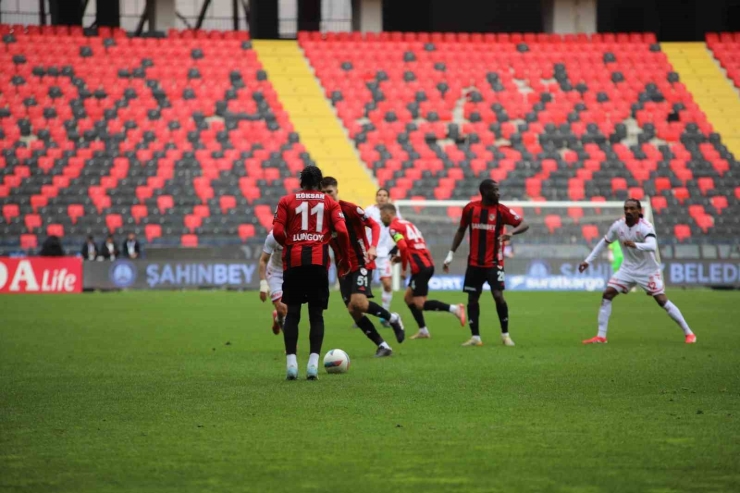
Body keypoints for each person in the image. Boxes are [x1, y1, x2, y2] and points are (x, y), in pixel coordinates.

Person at [578, 198, 696, 344]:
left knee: (661, 300)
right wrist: (588, 261)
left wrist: (636, 245)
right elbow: (605, 242)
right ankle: (601, 336)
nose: (628, 211)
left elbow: (652, 246)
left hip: (648, 270)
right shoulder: (618, 226)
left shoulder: (645, 227)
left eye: (632, 208)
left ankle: (689, 333)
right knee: (607, 294)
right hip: (627, 269)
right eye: (626, 208)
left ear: (639, 211)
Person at [273, 166, 351, 380]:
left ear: (301, 182)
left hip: (294, 263)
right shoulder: (329, 202)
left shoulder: (286, 201)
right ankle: (313, 366)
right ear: (319, 184)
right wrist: (344, 255)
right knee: (316, 316)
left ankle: (291, 365)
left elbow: (278, 231)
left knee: (293, 314)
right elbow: (342, 231)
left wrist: (289, 244)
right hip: (318, 263)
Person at [320, 177, 405, 357]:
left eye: (330, 192)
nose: (327, 195)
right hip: (343, 268)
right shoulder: (320, 215)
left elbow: (373, 224)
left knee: (359, 302)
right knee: (353, 310)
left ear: (336, 191)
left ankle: (393, 318)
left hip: (361, 261)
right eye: (323, 192)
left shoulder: (350, 209)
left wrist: (373, 246)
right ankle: (383, 345)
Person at [443, 179, 529, 347]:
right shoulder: (470, 208)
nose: (499, 193)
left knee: (498, 296)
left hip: (494, 262)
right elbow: (461, 230)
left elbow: (524, 224)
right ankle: (475, 337)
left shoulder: (502, 210)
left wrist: (512, 232)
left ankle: (505, 335)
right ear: (485, 191)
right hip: (474, 263)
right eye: (495, 190)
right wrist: (450, 254)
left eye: (498, 190)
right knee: (472, 299)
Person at [380, 203, 465, 340]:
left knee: (420, 303)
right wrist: (403, 259)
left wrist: (403, 269)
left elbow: (403, 247)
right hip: (425, 263)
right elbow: (411, 246)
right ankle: (423, 330)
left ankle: (455, 309)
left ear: (388, 214)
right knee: (408, 298)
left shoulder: (394, 228)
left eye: (381, 216)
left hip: (420, 267)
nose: (381, 218)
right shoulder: (407, 224)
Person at [364, 188, 400, 326]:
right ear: (376, 197)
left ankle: (385, 315)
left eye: (384, 195)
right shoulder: (369, 211)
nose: (382, 197)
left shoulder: (393, 211)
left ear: (388, 198)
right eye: (379, 195)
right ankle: (361, 314)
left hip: (384, 254)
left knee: (387, 284)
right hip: (369, 253)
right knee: (364, 287)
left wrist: (396, 248)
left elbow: (398, 228)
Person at [258, 230, 287, 335]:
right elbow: (263, 260)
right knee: (282, 308)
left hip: (292, 272)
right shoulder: (274, 236)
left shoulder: (300, 234)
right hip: (275, 274)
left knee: (290, 312)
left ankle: (278, 319)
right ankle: (291, 347)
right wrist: (263, 285)